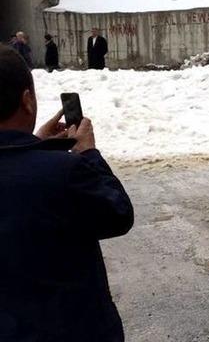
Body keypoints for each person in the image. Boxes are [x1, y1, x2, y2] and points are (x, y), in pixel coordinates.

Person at [0, 46, 134, 341]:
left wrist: (31, 144)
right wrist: (88, 154)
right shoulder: (64, 172)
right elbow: (118, 214)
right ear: (27, 101)